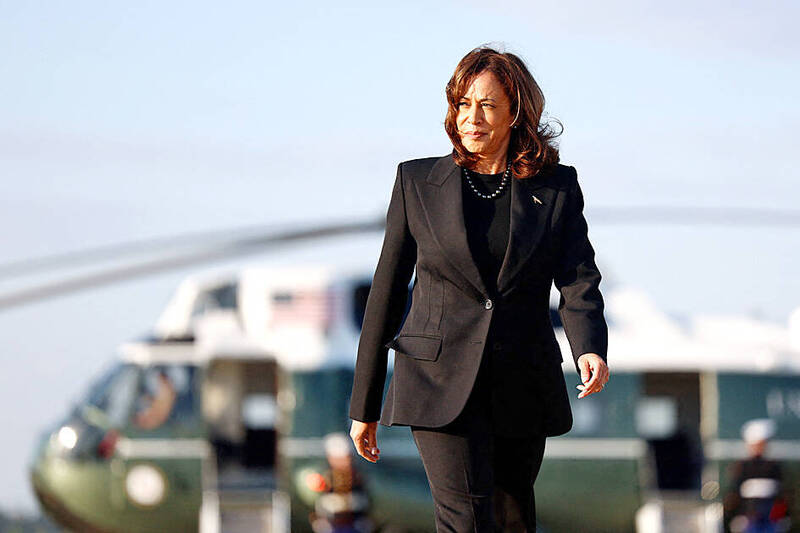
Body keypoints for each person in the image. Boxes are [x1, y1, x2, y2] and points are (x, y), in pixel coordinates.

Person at [348, 45, 610, 532]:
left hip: (522, 381)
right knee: (465, 519)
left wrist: (589, 346)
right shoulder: (417, 182)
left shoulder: (556, 187)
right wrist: (364, 403)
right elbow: (386, 292)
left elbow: (577, 274)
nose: (472, 118)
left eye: (487, 105)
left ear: (516, 112)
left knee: (513, 519)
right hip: (437, 382)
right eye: (463, 104)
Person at [724, 419, 791, 533]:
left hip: (771, 517)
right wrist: (737, 516)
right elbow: (734, 493)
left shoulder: (774, 466)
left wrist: (782, 515)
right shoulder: (743, 467)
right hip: (749, 517)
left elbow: (782, 494)